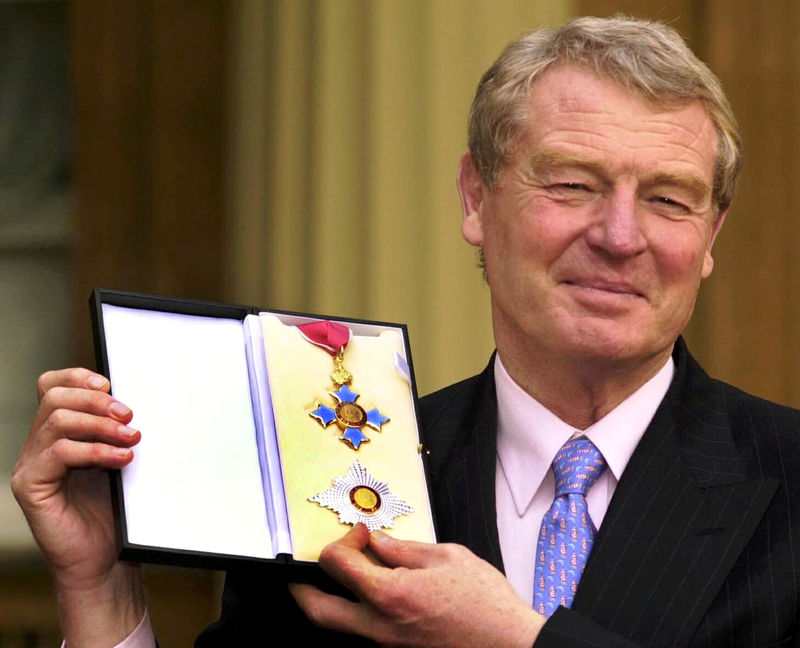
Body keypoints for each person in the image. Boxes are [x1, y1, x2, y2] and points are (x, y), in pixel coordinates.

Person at [12, 14, 800, 647]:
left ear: (711, 237)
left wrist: (514, 642)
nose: (621, 235)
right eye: (572, 184)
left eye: (668, 199)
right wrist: (99, 591)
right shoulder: (327, 478)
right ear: (475, 199)